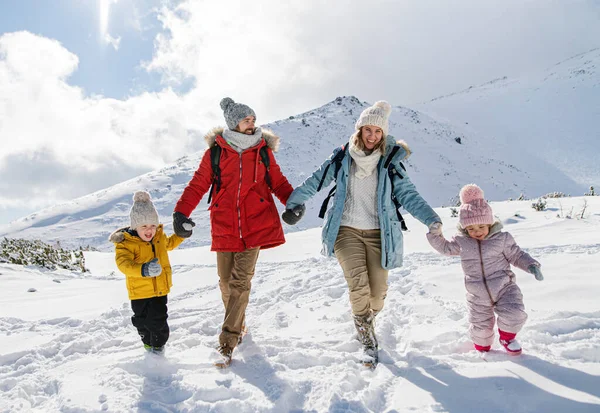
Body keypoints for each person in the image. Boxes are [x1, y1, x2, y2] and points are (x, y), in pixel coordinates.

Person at [282, 101, 441, 367]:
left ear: (383, 134)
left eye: (378, 132)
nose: (372, 136)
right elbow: (315, 180)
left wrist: (431, 220)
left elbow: (408, 195)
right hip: (346, 231)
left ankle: (364, 317)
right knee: (358, 285)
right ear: (359, 130)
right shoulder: (342, 157)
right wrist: (293, 203)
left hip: (380, 233)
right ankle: (367, 339)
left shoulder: (390, 162)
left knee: (377, 294)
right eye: (368, 130)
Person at [172, 97, 294, 367]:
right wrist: (181, 212)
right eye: (246, 119)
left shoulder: (263, 151)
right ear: (233, 124)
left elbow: (279, 182)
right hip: (225, 225)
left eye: (253, 119)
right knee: (225, 283)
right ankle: (240, 323)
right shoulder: (216, 152)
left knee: (240, 283)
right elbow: (198, 184)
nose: (252, 123)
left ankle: (227, 342)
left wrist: (293, 203)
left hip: (255, 225)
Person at [427, 184, 544, 355]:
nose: (477, 231)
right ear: (465, 229)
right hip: (477, 293)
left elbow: (516, 255)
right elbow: (445, 248)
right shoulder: (462, 242)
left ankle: (507, 337)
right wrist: (435, 234)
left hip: (505, 287)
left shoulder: (502, 239)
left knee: (515, 313)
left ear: (490, 223)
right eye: (471, 228)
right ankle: (483, 351)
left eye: (481, 226)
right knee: (480, 329)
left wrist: (531, 265)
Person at [109, 191, 185, 354]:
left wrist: (181, 235)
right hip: (139, 292)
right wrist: (143, 270)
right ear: (135, 226)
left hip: (159, 289)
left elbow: (169, 244)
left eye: (152, 225)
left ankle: (158, 348)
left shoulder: (158, 238)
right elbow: (123, 264)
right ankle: (147, 342)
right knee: (141, 321)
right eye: (144, 226)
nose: (149, 230)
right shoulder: (126, 243)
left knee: (158, 320)